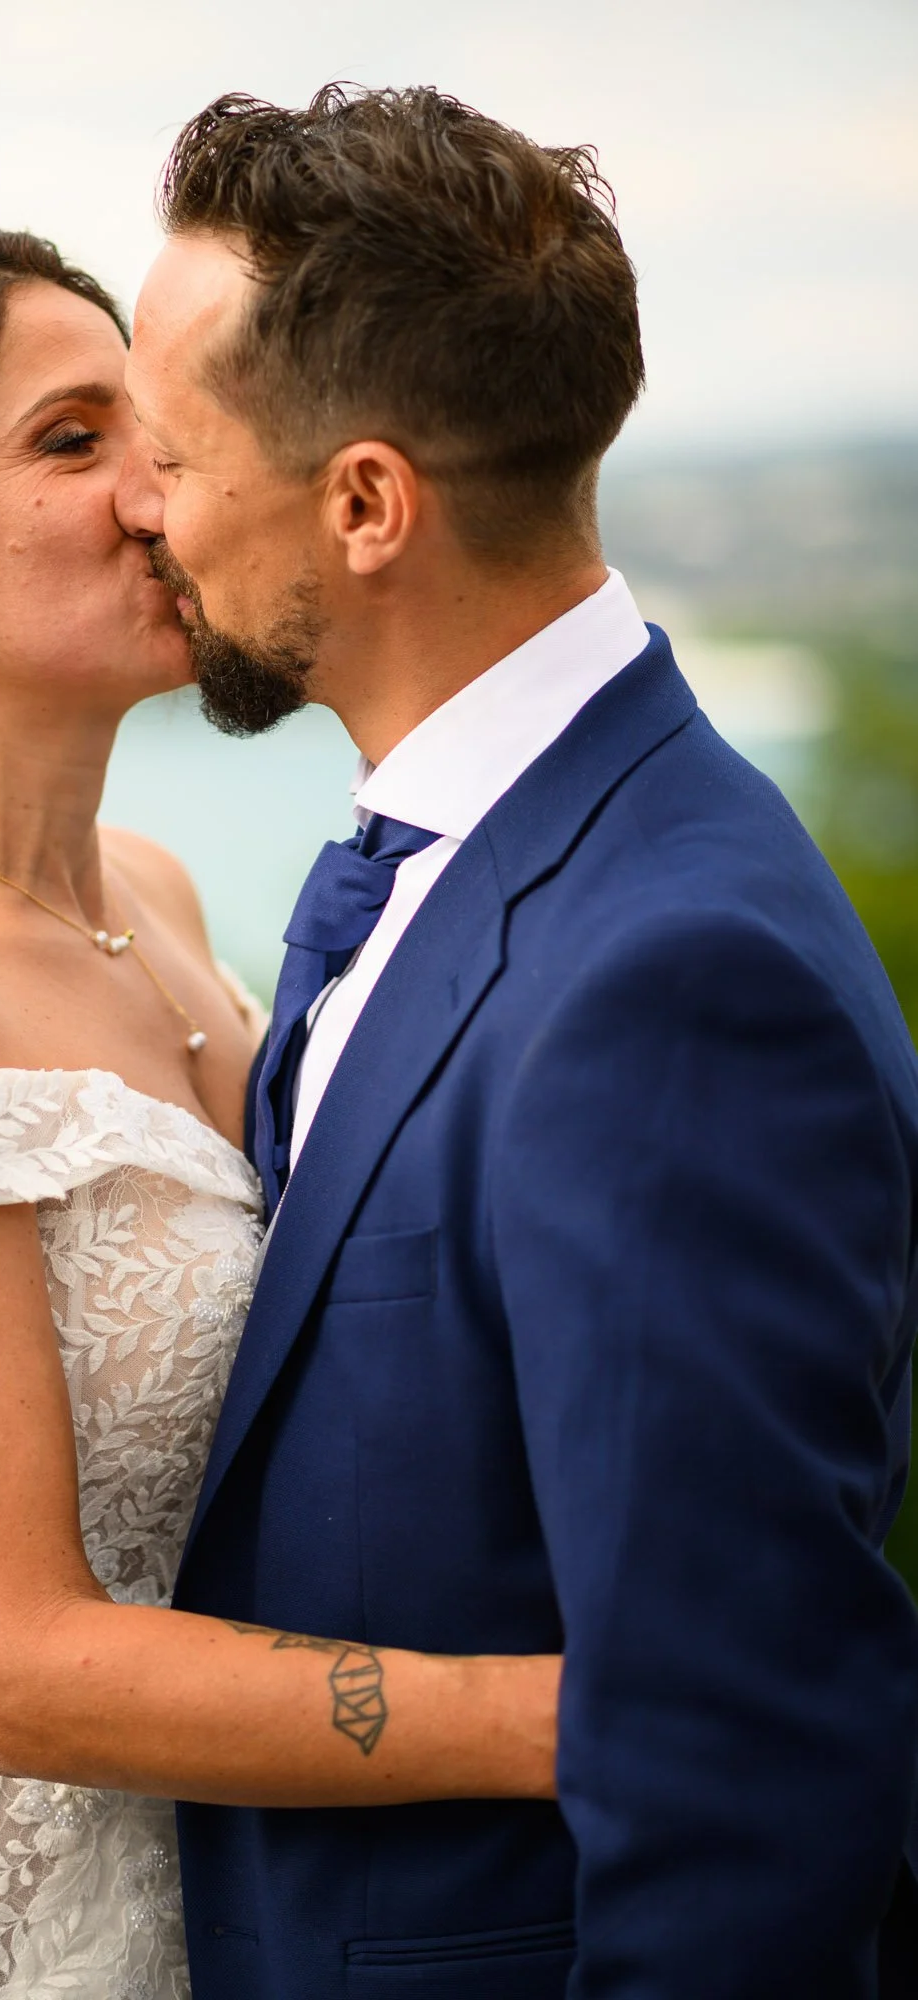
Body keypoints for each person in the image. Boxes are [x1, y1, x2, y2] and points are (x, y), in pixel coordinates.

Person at [0, 223, 560, 1999]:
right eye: (73, 443)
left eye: (151, 427)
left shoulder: (150, 889)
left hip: (264, 1916)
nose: (162, 492)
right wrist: (581, 1720)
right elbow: (8, 1670)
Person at [113, 84, 918, 2000]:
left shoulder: (673, 981)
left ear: (367, 503)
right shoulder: (487, 851)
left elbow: (738, 1761)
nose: (143, 505)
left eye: (168, 447)